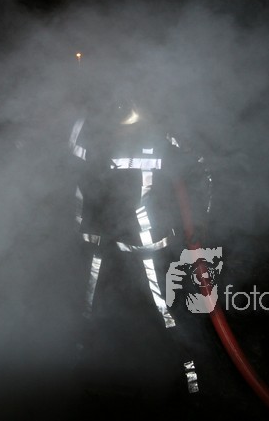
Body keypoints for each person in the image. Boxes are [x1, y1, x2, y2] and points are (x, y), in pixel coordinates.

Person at [67, 92, 219, 408]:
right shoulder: (83, 126)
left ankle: (192, 382)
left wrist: (198, 220)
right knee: (89, 309)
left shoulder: (160, 129)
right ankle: (81, 378)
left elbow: (200, 171)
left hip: (149, 245)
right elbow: (68, 173)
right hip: (98, 243)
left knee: (167, 313)